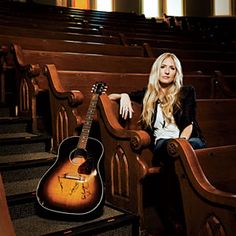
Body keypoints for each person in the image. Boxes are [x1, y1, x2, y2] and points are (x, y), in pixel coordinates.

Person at [109, 52, 206, 235]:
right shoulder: (148, 93)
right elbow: (110, 96)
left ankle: (175, 218)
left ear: (177, 73)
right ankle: (179, 219)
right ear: (157, 70)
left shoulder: (186, 92)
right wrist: (123, 95)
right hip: (162, 144)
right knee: (170, 152)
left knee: (185, 153)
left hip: (185, 141)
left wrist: (181, 144)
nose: (167, 71)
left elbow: (188, 124)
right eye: (163, 67)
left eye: (172, 68)